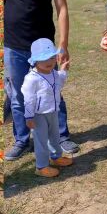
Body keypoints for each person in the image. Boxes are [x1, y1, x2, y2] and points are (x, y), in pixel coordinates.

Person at [4, 0, 79, 160]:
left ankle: (61, 136)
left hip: (44, 48)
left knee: (51, 90)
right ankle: (22, 140)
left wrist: (63, 44)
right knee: (18, 95)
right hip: (13, 45)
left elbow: (63, 9)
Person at [21, 38, 73, 178]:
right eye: (44, 59)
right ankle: (41, 166)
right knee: (41, 140)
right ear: (35, 61)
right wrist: (29, 116)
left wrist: (63, 70)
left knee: (55, 136)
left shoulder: (53, 73)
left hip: (53, 112)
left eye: (51, 57)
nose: (49, 62)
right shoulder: (32, 79)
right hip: (38, 115)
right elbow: (28, 98)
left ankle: (55, 157)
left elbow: (59, 82)